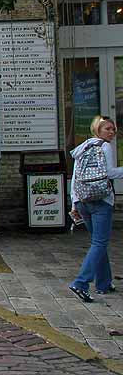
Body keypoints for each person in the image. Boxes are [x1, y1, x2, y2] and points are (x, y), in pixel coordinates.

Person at [68, 115, 123, 303]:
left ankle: (104, 283)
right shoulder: (104, 147)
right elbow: (109, 173)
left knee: (98, 243)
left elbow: (75, 176)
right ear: (97, 130)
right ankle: (81, 282)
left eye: (113, 129)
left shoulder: (82, 147)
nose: (112, 132)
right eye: (107, 128)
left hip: (83, 200)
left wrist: (74, 202)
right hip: (101, 200)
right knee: (99, 243)